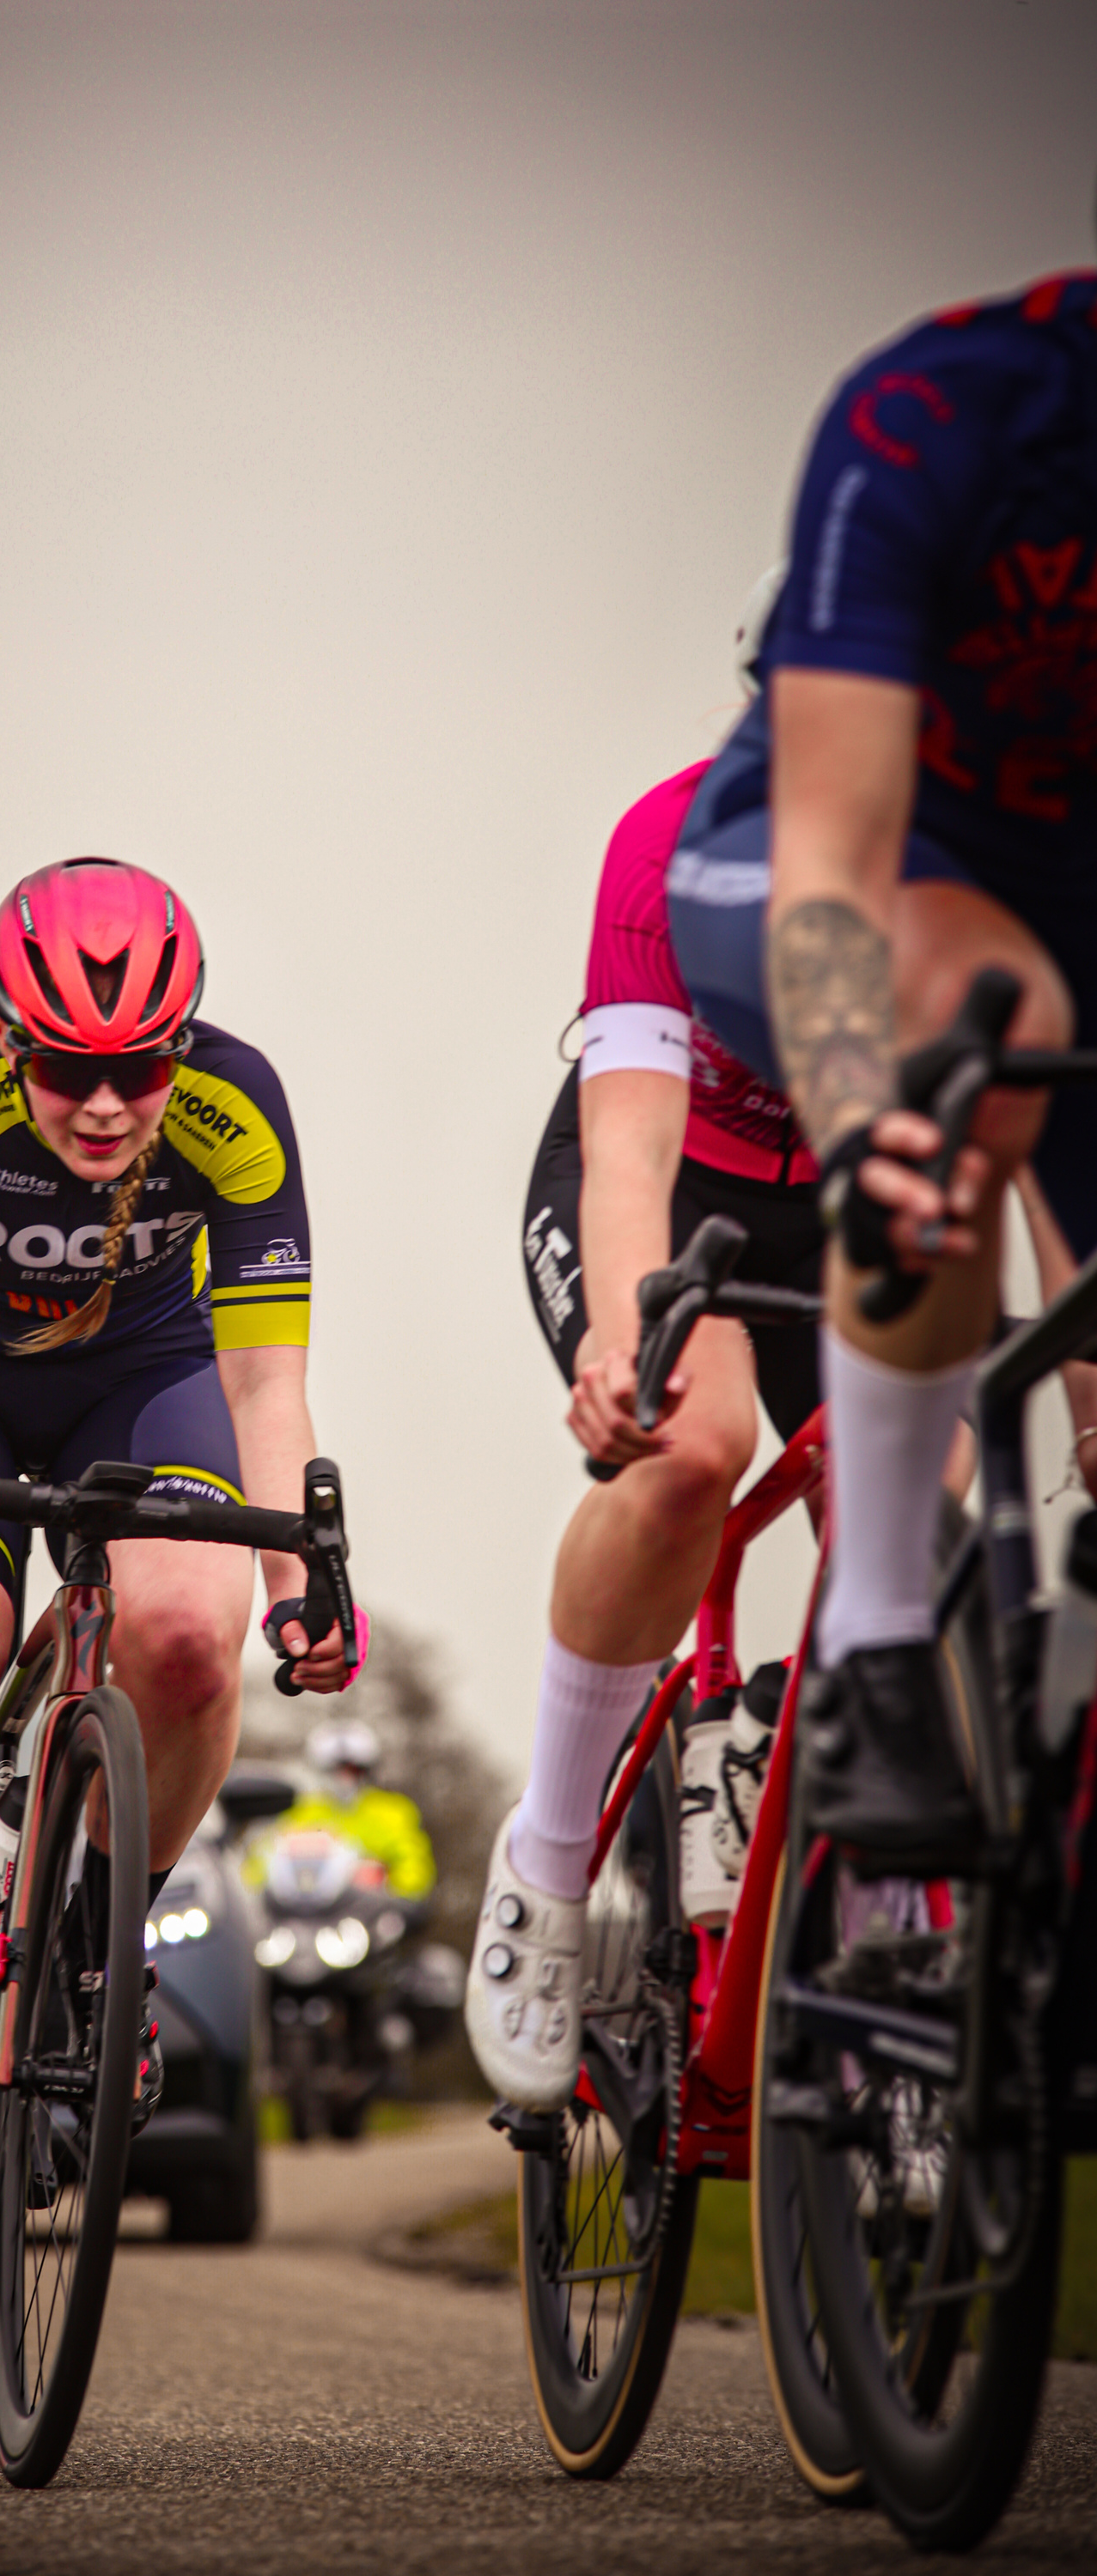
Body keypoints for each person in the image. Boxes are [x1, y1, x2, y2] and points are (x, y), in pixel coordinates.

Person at [0, 857, 367, 2270]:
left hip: (152, 1384)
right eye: (68, 1068)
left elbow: (267, 1386)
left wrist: (297, 1593)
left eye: (144, 1066)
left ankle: (102, 1960)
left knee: (186, 1636)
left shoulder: (238, 1102)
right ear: (6, 1034)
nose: (109, 1105)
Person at [662, 265, 1097, 1874]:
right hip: (821, 867)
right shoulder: (939, 417)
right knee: (988, 1018)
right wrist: (863, 1123)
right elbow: (835, 868)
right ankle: (881, 1644)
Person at [466, 598, 827, 2111]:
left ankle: (890, 1961)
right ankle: (549, 1864)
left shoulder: (978, 855)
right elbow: (627, 1151)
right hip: (669, 1180)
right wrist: (625, 1347)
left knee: (927, 1510)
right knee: (697, 1440)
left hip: (845, 1196)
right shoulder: (672, 840)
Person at [252, 1717, 436, 1899]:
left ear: (366, 1770)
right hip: (304, 1909)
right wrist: (258, 1894)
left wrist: (389, 1887)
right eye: (334, 1769)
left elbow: (415, 1867)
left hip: (367, 1913)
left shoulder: (393, 1811)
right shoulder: (299, 1811)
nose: (343, 1778)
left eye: (353, 1769)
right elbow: (263, 1859)